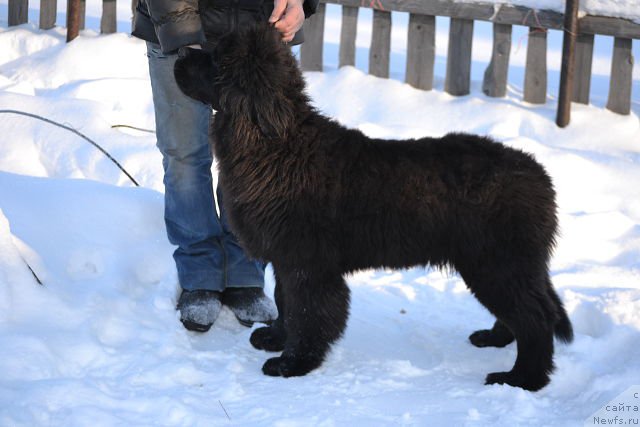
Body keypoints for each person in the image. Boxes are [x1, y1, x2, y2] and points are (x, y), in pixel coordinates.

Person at [132, 0, 319, 332]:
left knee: (256, 155)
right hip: (180, 30)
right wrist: (184, 33)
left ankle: (246, 270)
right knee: (185, 155)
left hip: (259, 32)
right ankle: (199, 272)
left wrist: (300, 4)